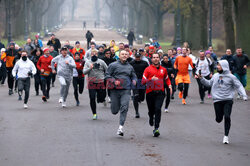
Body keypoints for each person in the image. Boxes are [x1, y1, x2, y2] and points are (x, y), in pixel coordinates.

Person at [198, 60, 247, 144]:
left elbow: (239, 86)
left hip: (228, 100)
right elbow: (209, 83)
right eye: (217, 65)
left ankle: (226, 136)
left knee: (227, 117)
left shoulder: (231, 77)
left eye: (219, 66)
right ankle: (220, 118)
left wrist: (244, 95)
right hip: (217, 100)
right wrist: (201, 79)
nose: (217, 67)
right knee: (218, 119)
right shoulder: (215, 76)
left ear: (224, 66)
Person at [105, 50, 137, 136]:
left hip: (126, 90)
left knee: (124, 107)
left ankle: (120, 127)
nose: (124, 55)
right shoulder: (113, 65)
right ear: (119, 56)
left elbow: (134, 75)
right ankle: (116, 106)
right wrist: (114, 81)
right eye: (122, 54)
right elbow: (107, 75)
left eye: (126, 54)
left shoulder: (130, 67)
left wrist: (134, 80)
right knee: (114, 111)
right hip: (115, 91)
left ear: (128, 56)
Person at [142, 53, 172, 137]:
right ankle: (151, 116)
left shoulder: (164, 69)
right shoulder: (147, 69)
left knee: (158, 109)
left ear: (159, 59)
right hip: (150, 93)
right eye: (154, 57)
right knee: (151, 110)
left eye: (157, 57)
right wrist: (151, 79)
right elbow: (143, 81)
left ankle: (156, 128)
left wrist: (169, 85)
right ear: (151, 59)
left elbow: (167, 79)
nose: (155, 59)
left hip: (160, 93)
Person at [83, 49, 107, 119]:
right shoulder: (88, 62)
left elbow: (107, 70)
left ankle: (102, 99)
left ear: (97, 55)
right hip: (91, 82)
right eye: (92, 54)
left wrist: (105, 77)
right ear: (90, 55)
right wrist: (90, 68)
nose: (94, 55)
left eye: (95, 54)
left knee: (101, 98)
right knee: (92, 98)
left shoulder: (101, 62)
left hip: (100, 81)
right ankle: (94, 113)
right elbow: (84, 72)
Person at [130, 53, 148, 118]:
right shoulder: (131, 63)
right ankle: (137, 112)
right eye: (136, 57)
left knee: (142, 97)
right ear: (135, 57)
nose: (137, 58)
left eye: (139, 57)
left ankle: (139, 98)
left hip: (142, 81)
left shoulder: (144, 63)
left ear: (140, 57)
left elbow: (148, 71)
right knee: (136, 96)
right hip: (134, 81)